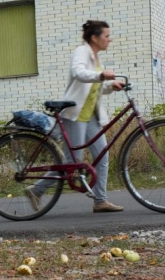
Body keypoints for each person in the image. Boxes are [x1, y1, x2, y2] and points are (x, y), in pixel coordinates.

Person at [27, 20, 125, 213]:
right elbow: (79, 73)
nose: (109, 39)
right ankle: (36, 190)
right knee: (73, 163)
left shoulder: (97, 59)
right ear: (94, 38)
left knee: (102, 156)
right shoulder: (81, 52)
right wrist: (101, 76)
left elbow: (94, 87)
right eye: (106, 36)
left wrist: (110, 86)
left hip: (91, 117)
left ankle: (100, 200)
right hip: (75, 115)